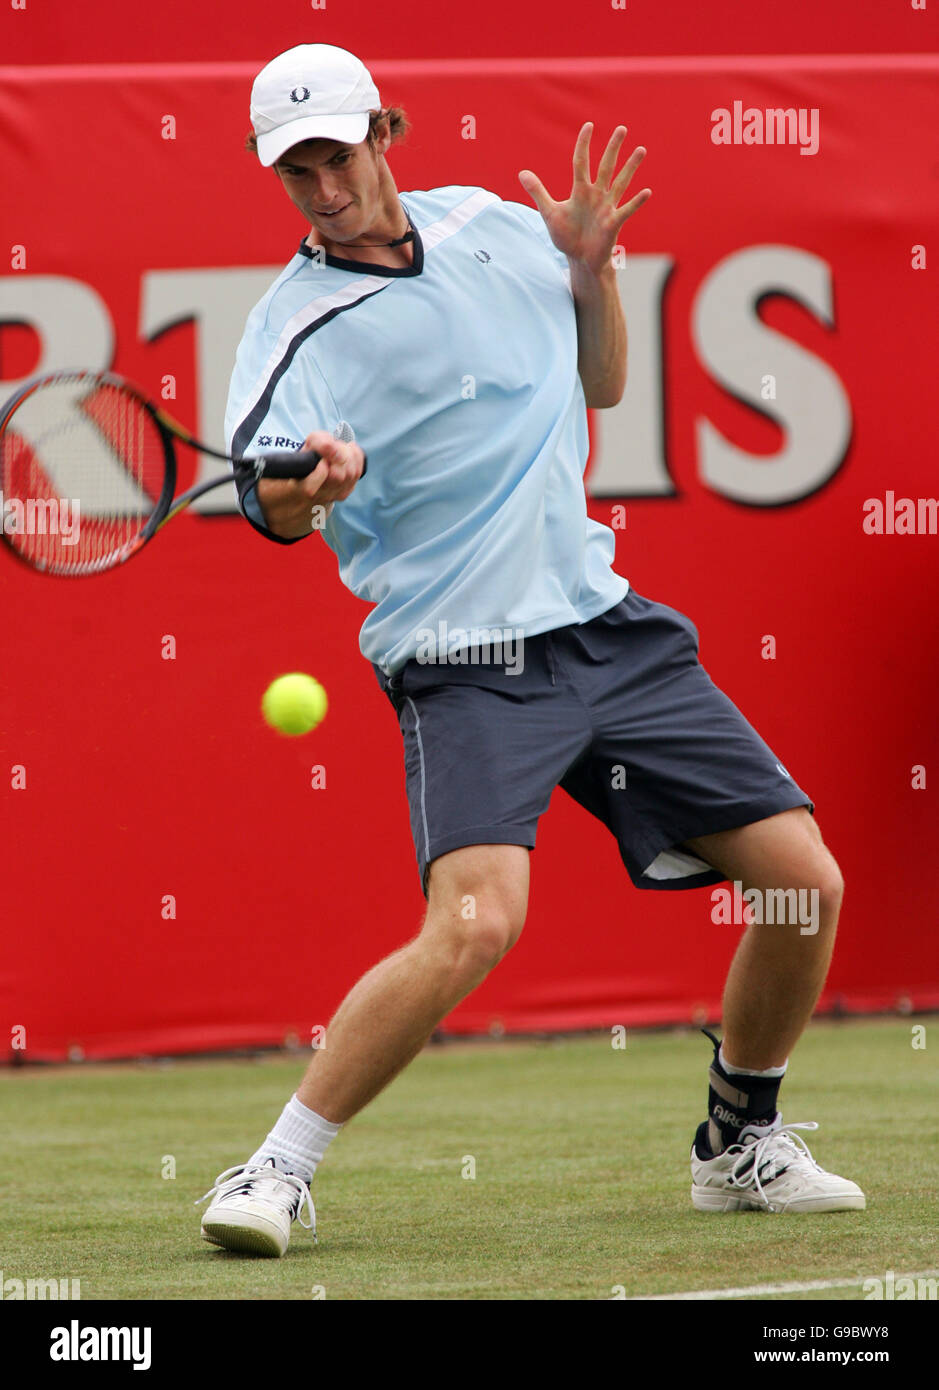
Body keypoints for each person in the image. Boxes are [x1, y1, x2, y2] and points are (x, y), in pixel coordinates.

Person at [197, 43, 864, 1258]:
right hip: (461, 658)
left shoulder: (497, 230)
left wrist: (591, 267)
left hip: (607, 627)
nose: (322, 185)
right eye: (295, 169)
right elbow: (272, 506)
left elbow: (603, 383)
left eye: (336, 154)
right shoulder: (294, 326)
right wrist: (312, 480)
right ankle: (275, 1168)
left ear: (384, 131)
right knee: (474, 922)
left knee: (802, 882)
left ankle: (739, 1140)